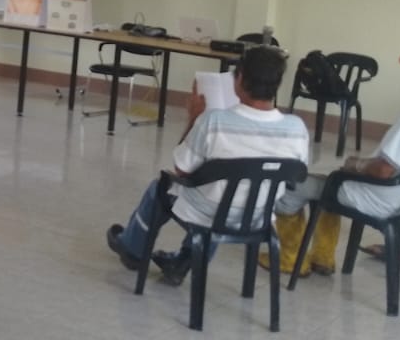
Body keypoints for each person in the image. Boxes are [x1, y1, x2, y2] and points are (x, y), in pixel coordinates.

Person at [106, 46, 308, 286]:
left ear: (240, 79)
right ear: (278, 83)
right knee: (221, 194)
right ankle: (183, 262)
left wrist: (194, 118)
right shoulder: (296, 128)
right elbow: (295, 176)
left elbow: (182, 169)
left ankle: (132, 251)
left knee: (161, 187)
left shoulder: (213, 121)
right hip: (258, 216)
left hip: (210, 213)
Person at [265, 48, 400, 276]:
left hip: (378, 200)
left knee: (292, 187)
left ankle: (289, 257)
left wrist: (356, 165)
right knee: (326, 184)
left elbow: (383, 170)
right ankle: (322, 258)